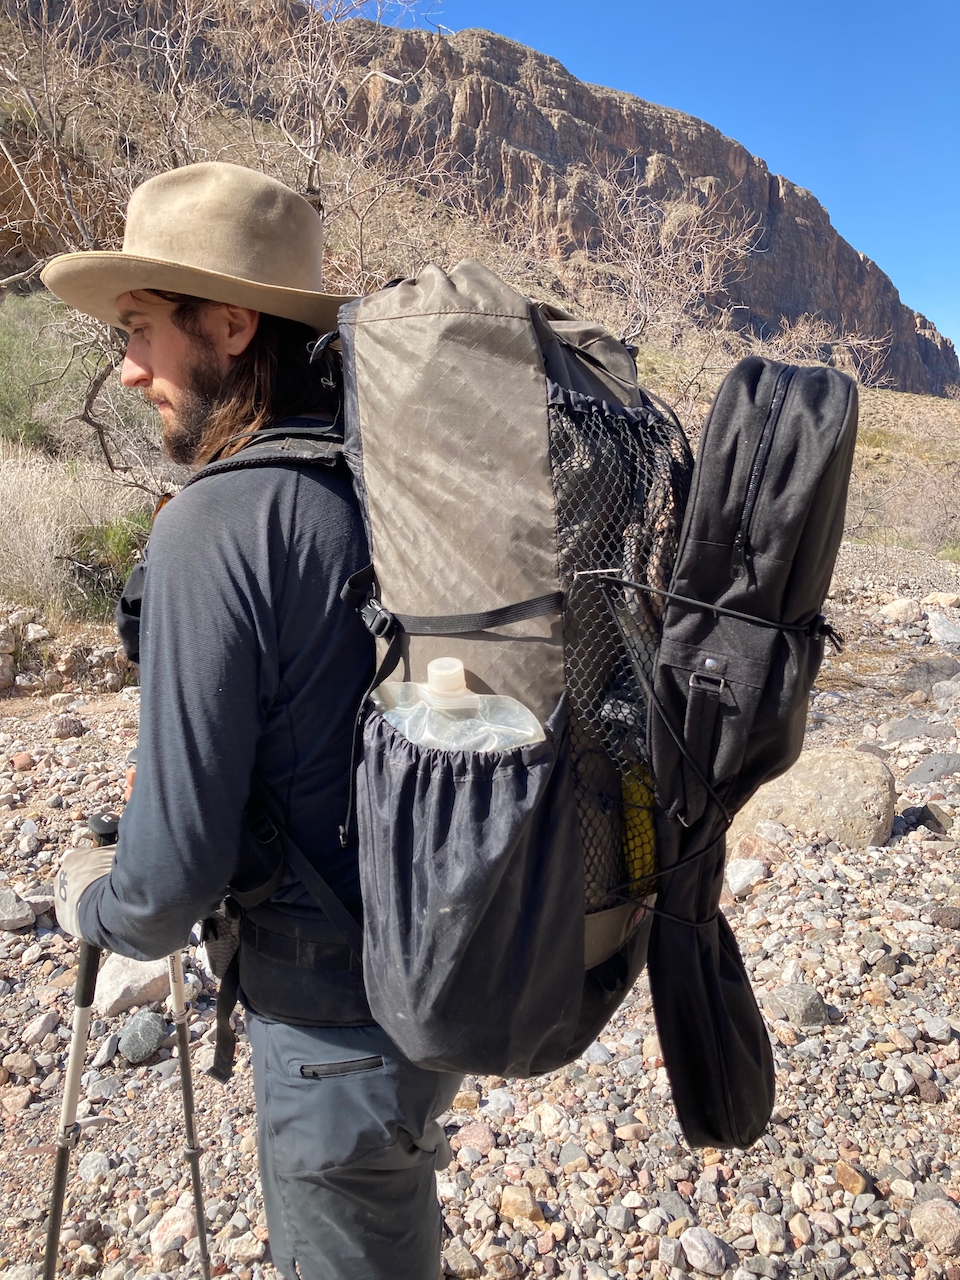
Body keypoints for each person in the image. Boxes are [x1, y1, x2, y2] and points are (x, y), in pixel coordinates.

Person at [44, 161, 461, 1280]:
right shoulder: (373, 491)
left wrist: (97, 902)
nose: (128, 370)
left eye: (140, 329)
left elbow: (174, 872)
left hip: (329, 1025)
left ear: (229, 326)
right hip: (427, 985)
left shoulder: (214, 527)